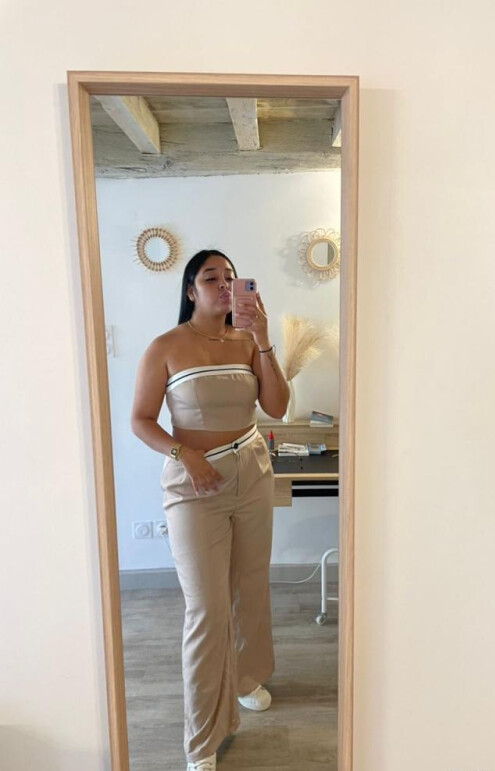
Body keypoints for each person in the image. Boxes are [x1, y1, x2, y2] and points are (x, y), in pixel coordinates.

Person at [131, 249, 289, 771]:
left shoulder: (247, 341)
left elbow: (277, 406)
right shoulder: (166, 347)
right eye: (210, 278)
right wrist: (185, 454)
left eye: (230, 278)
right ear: (190, 290)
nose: (224, 285)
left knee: (250, 584)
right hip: (195, 485)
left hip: (252, 471)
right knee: (206, 607)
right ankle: (201, 739)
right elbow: (140, 419)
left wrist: (263, 337)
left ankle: (245, 679)